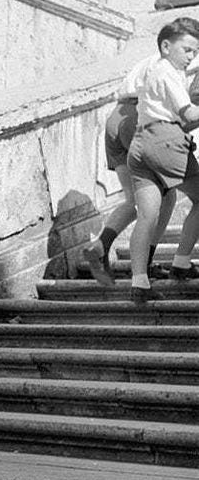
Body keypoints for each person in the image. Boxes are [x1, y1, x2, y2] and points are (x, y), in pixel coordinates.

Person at [82, 51, 178, 286]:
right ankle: (145, 264)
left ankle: (102, 244)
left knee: (134, 200)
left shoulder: (159, 54)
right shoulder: (187, 58)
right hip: (141, 118)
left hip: (116, 118)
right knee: (166, 197)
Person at [126, 18, 199, 304]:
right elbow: (188, 114)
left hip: (141, 143)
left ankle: (139, 283)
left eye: (195, 52)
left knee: (147, 215)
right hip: (165, 142)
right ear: (166, 46)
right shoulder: (168, 72)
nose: (191, 57)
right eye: (187, 50)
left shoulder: (155, 70)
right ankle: (181, 263)